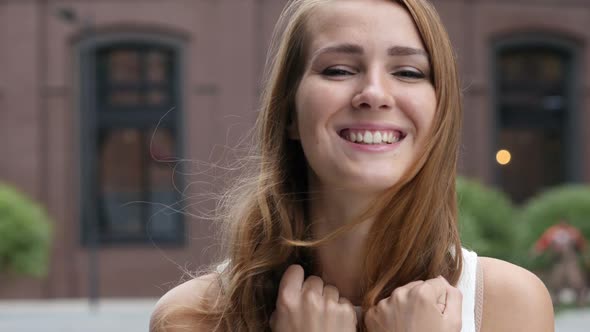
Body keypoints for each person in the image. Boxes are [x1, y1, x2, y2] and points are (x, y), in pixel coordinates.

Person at [150, 0, 554, 331]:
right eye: (339, 70)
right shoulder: (192, 318)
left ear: (439, 113)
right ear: (289, 113)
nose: (374, 93)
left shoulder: (508, 308)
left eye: (408, 72)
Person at [533, 219, 587, 306]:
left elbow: (581, 244)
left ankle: (581, 299)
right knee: (556, 281)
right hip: (558, 262)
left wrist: (585, 254)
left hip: (571, 261)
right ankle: (554, 301)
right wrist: (536, 251)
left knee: (576, 280)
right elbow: (543, 243)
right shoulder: (553, 232)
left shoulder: (572, 232)